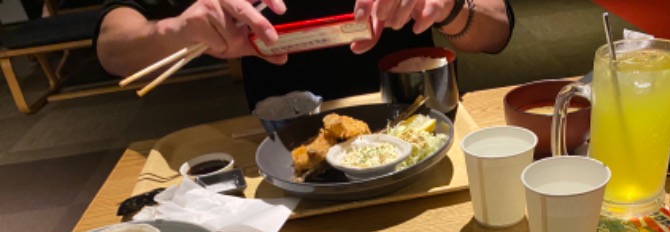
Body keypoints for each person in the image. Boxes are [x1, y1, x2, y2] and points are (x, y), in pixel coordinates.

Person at [94, 0, 514, 109]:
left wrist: (454, 9)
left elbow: (496, 32)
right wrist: (173, 31)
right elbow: (113, 48)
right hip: (283, 146)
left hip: (419, 119)